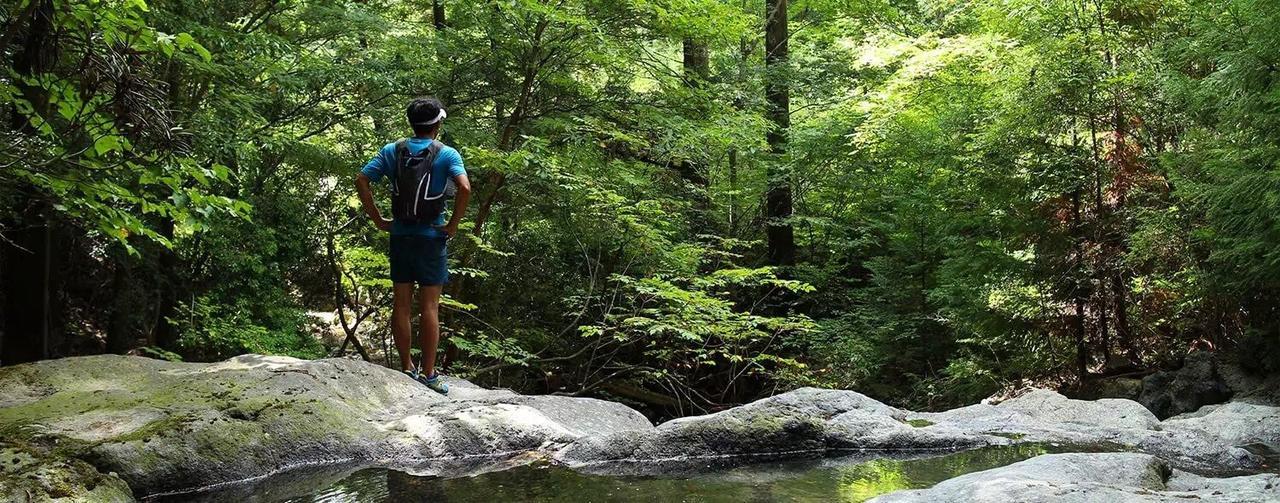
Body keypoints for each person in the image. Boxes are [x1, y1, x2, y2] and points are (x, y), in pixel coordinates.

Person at [355, 97, 470, 395]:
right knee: (430, 306)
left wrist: (379, 219)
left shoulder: (392, 151)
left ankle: (407, 367)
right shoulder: (447, 155)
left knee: (402, 304)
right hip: (432, 237)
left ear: (412, 124)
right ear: (438, 124)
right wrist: (453, 224)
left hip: (401, 235)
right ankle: (430, 374)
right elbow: (465, 188)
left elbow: (362, 179)